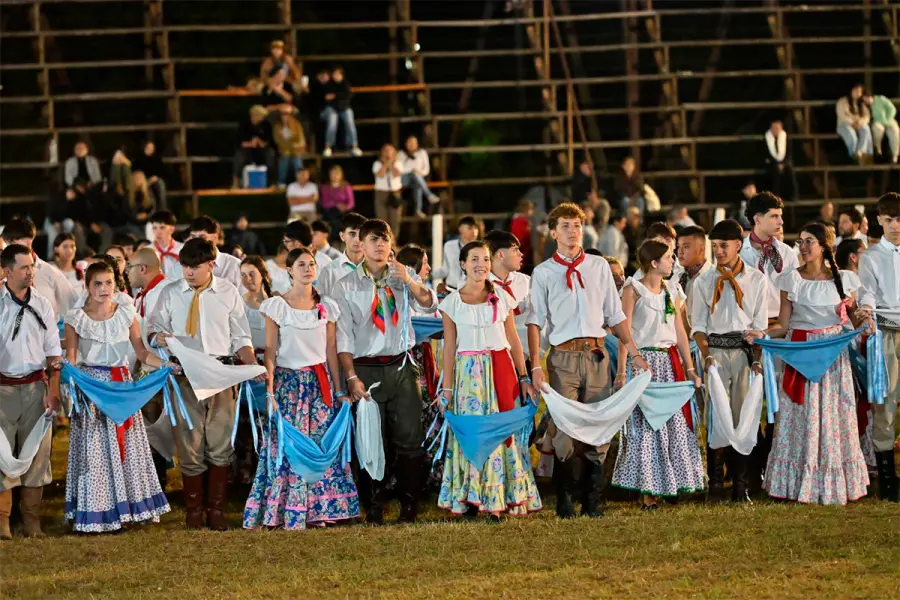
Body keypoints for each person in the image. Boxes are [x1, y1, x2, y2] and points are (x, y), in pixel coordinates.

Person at [527, 202, 651, 518]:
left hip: (596, 356)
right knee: (565, 428)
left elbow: (616, 314)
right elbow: (535, 322)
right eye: (566, 225)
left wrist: (634, 352)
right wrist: (536, 366)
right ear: (553, 232)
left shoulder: (597, 267)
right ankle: (565, 499)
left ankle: (592, 501)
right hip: (563, 357)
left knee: (599, 422)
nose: (573, 231)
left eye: (578, 225)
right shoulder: (543, 273)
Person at [147, 238, 260, 529]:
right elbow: (152, 329)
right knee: (189, 441)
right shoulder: (171, 292)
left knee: (220, 441)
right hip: (184, 375)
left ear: (211, 265)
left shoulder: (227, 291)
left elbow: (240, 336)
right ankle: (194, 511)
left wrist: (250, 364)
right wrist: (158, 338)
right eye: (184, 266)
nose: (188, 273)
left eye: (195, 267)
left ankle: (217, 509)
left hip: (221, 373)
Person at [244, 247, 360, 529]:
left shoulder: (327, 306)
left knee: (321, 443)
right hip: (289, 384)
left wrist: (337, 388)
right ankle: (288, 508)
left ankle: (321, 508)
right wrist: (270, 390)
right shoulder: (277, 305)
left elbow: (331, 351)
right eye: (301, 264)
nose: (307, 269)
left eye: (311, 264)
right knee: (289, 445)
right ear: (290, 271)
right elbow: (270, 351)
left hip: (320, 384)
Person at [334, 219, 438, 524]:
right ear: (361, 245)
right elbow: (343, 337)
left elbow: (430, 305)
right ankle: (374, 506)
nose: (380, 246)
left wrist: (409, 280)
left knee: (409, 438)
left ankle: (409, 507)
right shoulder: (347, 285)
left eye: (385, 240)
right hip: (366, 369)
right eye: (373, 240)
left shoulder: (401, 276)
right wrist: (351, 377)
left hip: (402, 365)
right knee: (369, 438)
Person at [761, 222, 872, 505]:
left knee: (834, 415)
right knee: (801, 416)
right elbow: (783, 325)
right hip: (801, 352)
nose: (804, 246)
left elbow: (854, 317)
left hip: (833, 355)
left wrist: (865, 320)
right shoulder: (791, 279)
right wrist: (761, 334)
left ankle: (834, 481)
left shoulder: (844, 279)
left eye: (810, 241)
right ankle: (797, 480)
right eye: (800, 241)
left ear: (824, 245)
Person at [63, 261, 171, 532]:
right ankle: (98, 508)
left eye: (108, 282)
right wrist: (72, 380)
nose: (104, 288)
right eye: (97, 283)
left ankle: (130, 507)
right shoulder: (76, 318)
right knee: (96, 448)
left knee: (128, 447)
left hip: (122, 386)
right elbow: (73, 360)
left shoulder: (126, 313)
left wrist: (167, 365)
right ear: (87, 286)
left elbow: (143, 353)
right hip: (93, 388)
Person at [436, 240, 542, 517]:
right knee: (472, 431)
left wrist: (524, 376)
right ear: (462, 264)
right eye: (474, 259)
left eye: (484, 259)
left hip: (500, 369)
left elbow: (513, 340)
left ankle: (499, 498)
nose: (480, 264)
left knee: (500, 431)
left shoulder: (502, 297)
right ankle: (471, 496)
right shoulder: (451, 303)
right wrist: (446, 387)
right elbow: (449, 347)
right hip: (467, 374)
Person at [611, 241, 704, 509]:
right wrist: (623, 369)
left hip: (669, 362)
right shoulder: (633, 290)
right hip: (644, 362)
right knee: (646, 427)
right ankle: (648, 490)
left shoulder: (672, 289)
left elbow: (680, 333)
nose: (673, 260)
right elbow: (624, 332)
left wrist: (689, 368)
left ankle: (669, 483)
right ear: (654, 263)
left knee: (672, 425)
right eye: (667, 257)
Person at [691, 219, 769, 502]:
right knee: (717, 416)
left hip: (744, 352)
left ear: (739, 244)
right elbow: (698, 326)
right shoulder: (704, 280)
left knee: (743, 415)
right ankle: (715, 483)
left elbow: (759, 325)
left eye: (724, 246)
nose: (719, 251)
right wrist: (707, 355)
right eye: (715, 247)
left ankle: (741, 484)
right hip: (716, 352)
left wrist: (757, 357)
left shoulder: (756, 279)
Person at [0, 245, 62, 539]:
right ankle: (2, 522)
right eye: (24, 267)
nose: (30, 272)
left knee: (38, 453)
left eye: (31, 267)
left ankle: (31, 521)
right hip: (3, 390)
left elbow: (54, 352)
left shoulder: (43, 304)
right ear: (7, 271)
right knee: (2, 455)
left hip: (37, 386)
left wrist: (53, 390)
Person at [857, 192, 900, 502]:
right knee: (885, 403)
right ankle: (888, 480)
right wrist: (867, 311)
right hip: (886, 333)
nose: (896, 226)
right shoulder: (871, 257)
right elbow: (867, 293)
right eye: (889, 221)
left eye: (899, 220)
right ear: (879, 222)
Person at [1, 218, 78, 322]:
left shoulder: (49, 273)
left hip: (47, 334)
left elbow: (75, 308)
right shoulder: (3, 275)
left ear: (29, 242)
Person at [484, 230, 536, 367]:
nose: (521, 254)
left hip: (526, 358)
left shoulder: (526, 282)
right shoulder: (480, 285)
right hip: (492, 358)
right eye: (515, 250)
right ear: (500, 255)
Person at [316, 212, 367, 297]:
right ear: (342, 236)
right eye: (352, 234)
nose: (357, 239)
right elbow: (321, 304)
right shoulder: (329, 271)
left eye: (361, 234)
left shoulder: (376, 268)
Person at [188, 216, 243, 290]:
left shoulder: (234, 265)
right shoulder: (182, 267)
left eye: (202, 237)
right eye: (193, 237)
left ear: (215, 238)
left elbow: (246, 298)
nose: (197, 242)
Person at [675, 225, 712, 333]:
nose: (680, 252)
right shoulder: (676, 277)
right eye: (678, 246)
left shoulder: (715, 279)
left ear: (701, 249)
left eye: (686, 247)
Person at [321, 66, 362, 157]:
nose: (335, 76)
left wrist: (335, 97)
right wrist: (337, 97)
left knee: (349, 120)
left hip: (344, 108)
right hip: (332, 108)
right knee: (332, 119)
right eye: (334, 74)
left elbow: (347, 98)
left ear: (341, 75)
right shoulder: (329, 84)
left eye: (337, 74)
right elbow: (327, 98)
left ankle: (353, 146)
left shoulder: (346, 84)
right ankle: (328, 146)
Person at [433, 216, 479, 293]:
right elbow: (445, 270)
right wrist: (430, 275)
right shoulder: (449, 246)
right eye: (470, 228)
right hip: (451, 289)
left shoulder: (481, 249)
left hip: (471, 291)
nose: (474, 231)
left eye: (476, 228)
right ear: (460, 229)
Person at [233, 105, 275, 189]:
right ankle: (236, 182)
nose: (262, 118)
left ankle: (270, 182)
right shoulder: (244, 124)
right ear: (253, 115)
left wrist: (260, 142)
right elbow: (239, 141)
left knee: (270, 155)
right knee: (240, 156)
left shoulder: (266, 124)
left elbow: (269, 141)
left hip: (260, 148)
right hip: (247, 147)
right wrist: (250, 143)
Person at [398, 135, 440, 218]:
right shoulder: (401, 154)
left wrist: (418, 172)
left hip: (418, 178)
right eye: (409, 142)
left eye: (414, 142)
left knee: (418, 185)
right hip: (405, 179)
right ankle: (429, 195)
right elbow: (400, 169)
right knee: (415, 175)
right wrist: (412, 170)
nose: (412, 144)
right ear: (405, 144)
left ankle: (418, 210)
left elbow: (426, 169)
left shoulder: (422, 153)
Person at [372, 144, 404, 237]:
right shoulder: (377, 164)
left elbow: (396, 174)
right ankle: (383, 239)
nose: (387, 153)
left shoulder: (398, 163)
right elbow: (380, 174)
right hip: (381, 192)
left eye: (389, 150)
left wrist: (391, 163)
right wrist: (386, 164)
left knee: (395, 219)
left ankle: (394, 241)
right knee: (382, 219)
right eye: (385, 151)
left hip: (395, 192)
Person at [836, 84, 874, 162]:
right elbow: (841, 115)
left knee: (866, 129)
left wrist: (860, 122)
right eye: (856, 90)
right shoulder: (842, 101)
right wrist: (852, 122)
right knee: (851, 135)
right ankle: (853, 156)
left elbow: (867, 116)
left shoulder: (861, 104)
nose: (857, 93)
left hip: (858, 124)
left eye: (859, 92)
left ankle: (861, 152)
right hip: (844, 124)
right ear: (851, 90)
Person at [763, 119, 798, 202]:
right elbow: (765, 154)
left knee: (789, 169)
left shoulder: (785, 136)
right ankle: (776, 197)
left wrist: (784, 163)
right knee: (775, 171)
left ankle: (793, 195)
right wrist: (776, 163)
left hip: (784, 162)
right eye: (774, 128)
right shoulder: (767, 137)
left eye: (777, 128)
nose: (776, 130)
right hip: (771, 162)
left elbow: (789, 152)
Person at [273, 108, 306, 187]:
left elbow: (301, 141)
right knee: (284, 159)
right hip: (284, 151)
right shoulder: (277, 127)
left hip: (296, 151)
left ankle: (301, 182)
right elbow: (278, 141)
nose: (285, 117)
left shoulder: (297, 125)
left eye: (287, 115)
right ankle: (281, 183)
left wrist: (293, 146)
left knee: (297, 162)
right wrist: (291, 145)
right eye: (283, 115)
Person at [863, 93, 899, 163]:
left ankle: (895, 154)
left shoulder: (881, 99)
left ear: (870, 96)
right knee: (877, 129)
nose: (867, 101)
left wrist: (888, 119)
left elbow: (892, 109)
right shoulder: (867, 106)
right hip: (878, 121)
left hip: (889, 119)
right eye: (865, 101)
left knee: (895, 131)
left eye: (867, 99)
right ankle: (877, 148)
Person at [320, 165, 356, 234]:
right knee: (334, 218)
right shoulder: (325, 187)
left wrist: (346, 207)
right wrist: (336, 205)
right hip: (331, 210)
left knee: (348, 218)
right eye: (332, 174)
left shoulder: (346, 186)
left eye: (336, 174)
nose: (334, 176)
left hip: (345, 210)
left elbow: (351, 202)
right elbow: (325, 203)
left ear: (341, 175)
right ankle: (336, 239)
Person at [132, 141, 168, 212]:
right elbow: (136, 172)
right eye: (148, 147)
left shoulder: (156, 159)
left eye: (151, 147)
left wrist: (156, 177)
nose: (149, 149)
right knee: (149, 194)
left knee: (160, 184)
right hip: (144, 181)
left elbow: (163, 171)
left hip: (154, 180)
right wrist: (145, 181)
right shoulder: (139, 159)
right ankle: (152, 212)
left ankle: (163, 210)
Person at [149, 210, 183, 280]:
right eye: (154, 228)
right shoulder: (148, 250)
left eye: (162, 227)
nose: (158, 232)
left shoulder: (182, 248)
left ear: (172, 229)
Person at [509, 199, 535, 270]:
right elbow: (522, 235)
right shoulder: (521, 221)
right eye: (531, 209)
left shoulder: (516, 220)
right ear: (526, 209)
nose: (532, 212)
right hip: (522, 247)